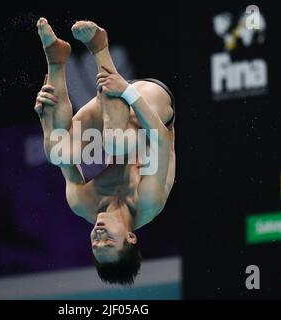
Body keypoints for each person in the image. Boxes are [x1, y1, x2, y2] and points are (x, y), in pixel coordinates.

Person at [34, 18, 176, 285]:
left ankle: (56, 58)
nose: (98, 234)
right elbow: (158, 138)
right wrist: (128, 92)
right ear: (131, 238)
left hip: (112, 117)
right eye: (108, 241)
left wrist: (46, 118)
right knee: (116, 142)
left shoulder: (82, 203)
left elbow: (60, 145)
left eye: (95, 243)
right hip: (150, 107)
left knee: (56, 152)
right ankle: (100, 46)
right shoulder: (148, 201)